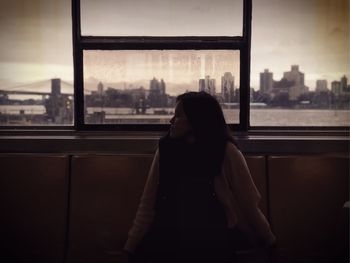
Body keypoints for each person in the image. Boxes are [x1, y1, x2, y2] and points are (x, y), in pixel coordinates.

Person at [121, 92, 276, 263]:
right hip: (170, 236)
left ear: (197, 121)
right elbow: (148, 204)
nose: (171, 121)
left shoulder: (226, 152)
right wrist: (130, 247)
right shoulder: (166, 150)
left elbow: (249, 205)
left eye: (178, 116)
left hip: (211, 240)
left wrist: (269, 240)